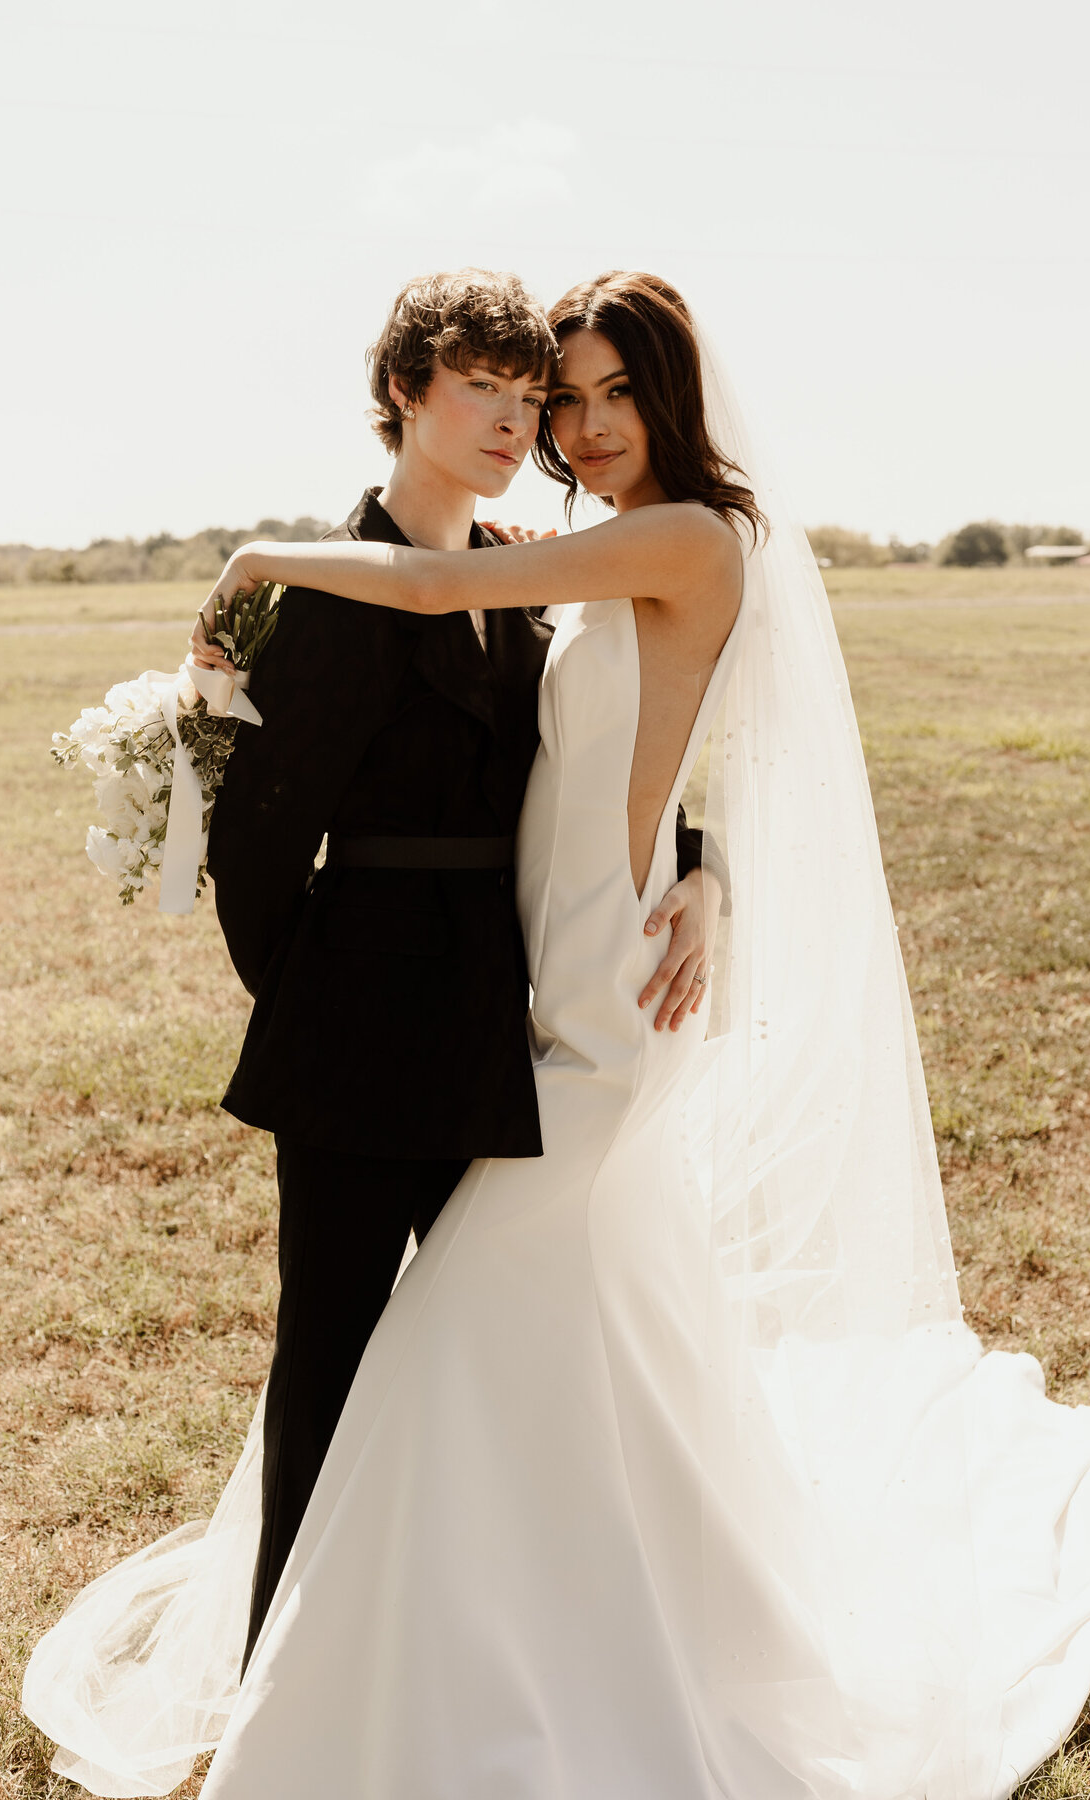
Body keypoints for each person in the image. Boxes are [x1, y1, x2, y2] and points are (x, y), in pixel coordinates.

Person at [25, 272, 1090, 1799]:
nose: (579, 423)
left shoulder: (684, 533)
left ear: (676, 396)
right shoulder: (571, 555)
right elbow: (644, 741)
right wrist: (702, 870)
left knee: (455, 1328)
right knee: (567, 1337)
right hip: (539, 981)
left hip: (597, 1015)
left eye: (611, 392)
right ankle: (523, 1612)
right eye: (566, 396)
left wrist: (241, 564)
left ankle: (404, 1659)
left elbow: (457, 606)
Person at [203, 267, 724, 1668]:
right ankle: (281, 1672)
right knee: (331, 1359)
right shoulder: (332, 590)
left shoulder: (520, 573)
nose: (520, 419)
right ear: (403, 398)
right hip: (361, 1047)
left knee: (487, 1359)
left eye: (529, 393)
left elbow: (611, 750)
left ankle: (469, 1654)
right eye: (488, 391)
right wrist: (315, 1013)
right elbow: (254, 847)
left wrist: (701, 865)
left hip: (517, 1032)